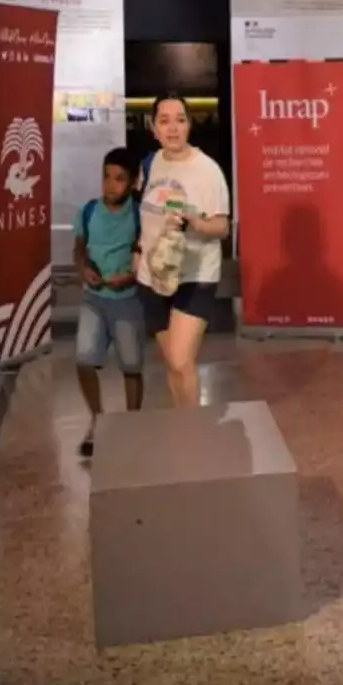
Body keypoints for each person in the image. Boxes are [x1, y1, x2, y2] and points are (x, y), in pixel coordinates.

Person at [136, 94, 230, 409]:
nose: (173, 128)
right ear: (153, 127)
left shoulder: (207, 170)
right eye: (164, 120)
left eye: (180, 119)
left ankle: (193, 430)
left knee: (179, 358)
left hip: (195, 275)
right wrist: (138, 249)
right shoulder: (151, 163)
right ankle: (183, 421)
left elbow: (222, 227)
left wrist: (195, 223)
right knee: (175, 365)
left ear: (189, 124)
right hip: (154, 276)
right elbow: (144, 213)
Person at [71, 148, 146, 457]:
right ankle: (96, 419)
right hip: (94, 300)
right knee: (84, 360)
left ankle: (133, 424)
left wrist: (130, 277)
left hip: (128, 301)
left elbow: (149, 253)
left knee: (131, 366)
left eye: (119, 179)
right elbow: (78, 247)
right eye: (106, 177)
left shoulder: (140, 214)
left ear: (132, 183)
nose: (110, 185)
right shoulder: (88, 211)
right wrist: (83, 269)